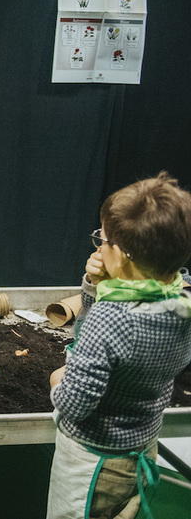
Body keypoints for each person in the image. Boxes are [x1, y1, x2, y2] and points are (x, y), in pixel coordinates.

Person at [46, 173, 191, 519]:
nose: (99, 247)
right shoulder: (182, 300)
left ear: (123, 256)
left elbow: (75, 405)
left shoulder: (110, 320)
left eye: (104, 240)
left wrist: (58, 380)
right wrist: (97, 285)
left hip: (94, 466)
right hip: (141, 449)